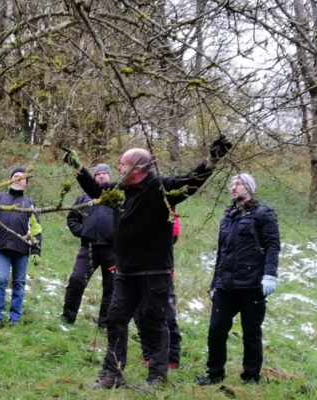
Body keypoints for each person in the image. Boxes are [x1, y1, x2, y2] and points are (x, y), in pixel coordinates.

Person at [63, 135, 232, 389]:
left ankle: (156, 376)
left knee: (154, 322)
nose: (118, 167)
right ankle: (112, 374)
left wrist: (212, 160)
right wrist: (79, 169)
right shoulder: (121, 190)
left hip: (154, 270)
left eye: (122, 163)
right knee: (115, 320)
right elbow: (96, 190)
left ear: (137, 168)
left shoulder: (160, 188)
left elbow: (190, 182)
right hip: (125, 270)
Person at [198, 174, 280, 386]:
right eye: (232, 184)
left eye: (239, 184)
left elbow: (272, 245)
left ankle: (251, 376)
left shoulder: (264, 214)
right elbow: (221, 252)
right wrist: (215, 283)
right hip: (225, 285)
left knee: (251, 332)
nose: (234, 188)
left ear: (250, 188)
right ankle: (215, 373)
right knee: (216, 330)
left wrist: (270, 275)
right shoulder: (227, 216)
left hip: (252, 285)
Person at [0, 168, 42, 328]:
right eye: (16, 176)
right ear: (10, 179)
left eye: (23, 178)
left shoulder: (30, 203)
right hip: (0, 247)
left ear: (26, 183)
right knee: (0, 279)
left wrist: (36, 250)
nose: (19, 179)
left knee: (19, 283)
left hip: (22, 250)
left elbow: (36, 229)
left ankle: (15, 317)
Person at [61, 163, 116, 332]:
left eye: (104, 174)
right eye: (98, 174)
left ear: (109, 177)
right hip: (88, 248)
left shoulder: (117, 196)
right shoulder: (84, 198)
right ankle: (67, 318)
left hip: (113, 250)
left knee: (112, 288)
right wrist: (81, 231)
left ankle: (105, 324)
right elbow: (72, 217)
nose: (101, 176)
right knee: (77, 280)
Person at [134, 210, 182, 370]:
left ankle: (172, 358)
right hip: (135, 268)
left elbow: (173, 235)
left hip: (160, 270)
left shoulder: (167, 203)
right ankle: (149, 355)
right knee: (141, 313)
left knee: (166, 314)